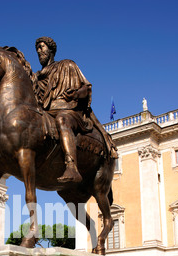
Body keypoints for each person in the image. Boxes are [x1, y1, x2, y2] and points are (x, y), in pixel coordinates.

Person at [33, 36, 117, 184]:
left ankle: (71, 166)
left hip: (69, 112)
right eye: (37, 48)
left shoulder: (67, 65)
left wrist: (77, 94)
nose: (39, 51)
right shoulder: (37, 77)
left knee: (62, 120)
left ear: (51, 49)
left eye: (42, 47)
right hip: (47, 113)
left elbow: (86, 88)